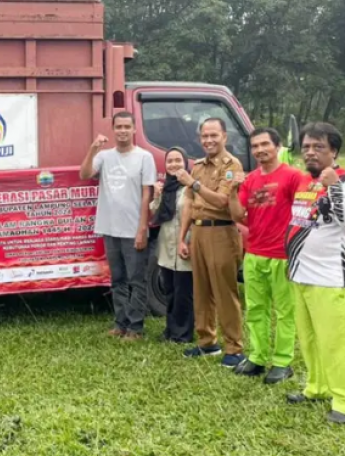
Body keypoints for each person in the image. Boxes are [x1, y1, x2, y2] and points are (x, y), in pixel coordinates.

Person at [285, 122, 345, 424]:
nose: (311, 152)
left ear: (334, 151)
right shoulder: (305, 181)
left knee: (336, 343)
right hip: (301, 275)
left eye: (319, 147)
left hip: (330, 278)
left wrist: (334, 187)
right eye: (306, 147)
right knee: (310, 339)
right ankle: (317, 386)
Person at [228, 127, 302, 384]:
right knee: (256, 309)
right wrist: (232, 191)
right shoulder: (249, 180)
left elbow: (304, 214)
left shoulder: (293, 177)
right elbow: (238, 216)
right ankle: (258, 357)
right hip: (254, 254)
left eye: (264, 145)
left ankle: (282, 362)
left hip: (282, 254)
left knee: (284, 311)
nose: (259, 150)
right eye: (255, 146)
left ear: (278, 146)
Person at [80, 111, 157, 340]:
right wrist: (93, 149)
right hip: (109, 228)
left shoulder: (145, 157)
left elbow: (147, 194)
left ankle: (136, 327)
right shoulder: (104, 156)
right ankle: (120, 323)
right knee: (118, 280)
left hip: (133, 229)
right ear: (113, 130)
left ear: (134, 130)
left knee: (137, 280)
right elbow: (84, 174)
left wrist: (142, 228)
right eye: (118, 127)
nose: (122, 131)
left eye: (127, 127)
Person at [178, 117, 245, 368]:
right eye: (205, 136)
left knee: (224, 292)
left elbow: (222, 202)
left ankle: (234, 348)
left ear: (225, 137)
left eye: (214, 135)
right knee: (202, 290)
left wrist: (192, 183)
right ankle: (207, 342)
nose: (209, 140)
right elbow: (188, 203)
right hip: (198, 232)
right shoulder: (197, 166)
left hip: (221, 232)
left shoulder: (233, 165)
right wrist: (182, 237)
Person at [150, 147, 194, 343]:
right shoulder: (166, 187)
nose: (174, 164)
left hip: (185, 245)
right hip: (166, 247)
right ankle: (170, 329)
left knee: (184, 293)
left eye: (178, 160)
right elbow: (155, 213)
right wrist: (157, 195)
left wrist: (187, 241)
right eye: (170, 161)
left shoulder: (191, 188)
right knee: (170, 291)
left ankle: (183, 333)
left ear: (185, 163)